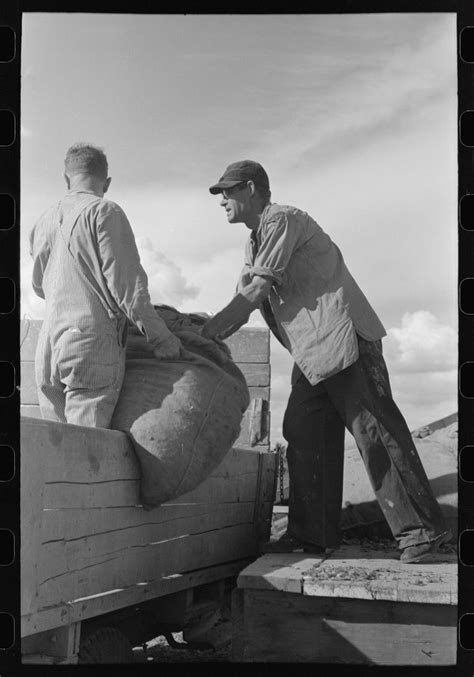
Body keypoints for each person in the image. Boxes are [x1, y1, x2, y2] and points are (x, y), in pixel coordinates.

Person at [201, 159, 451, 564]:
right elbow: (243, 303)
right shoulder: (254, 243)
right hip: (314, 351)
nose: (222, 201)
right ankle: (312, 535)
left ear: (249, 188)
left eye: (226, 192)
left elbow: (257, 291)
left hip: (344, 335)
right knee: (304, 430)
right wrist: (203, 333)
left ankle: (423, 531)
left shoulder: (282, 219)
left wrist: (204, 335)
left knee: (375, 430)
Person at [29, 143, 182, 429]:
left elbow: (39, 286)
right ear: (107, 182)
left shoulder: (43, 221)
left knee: (56, 450)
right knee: (86, 452)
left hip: (47, 349)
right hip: (89, 343)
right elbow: (127, 288)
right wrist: (161, 338)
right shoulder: (104, 211)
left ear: (66, 179)